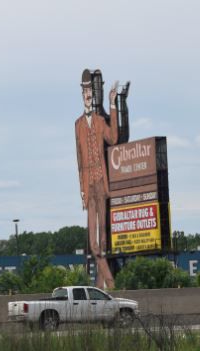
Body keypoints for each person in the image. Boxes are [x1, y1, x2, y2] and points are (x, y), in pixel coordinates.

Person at [75, 69, 119, 289]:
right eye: (84, 91)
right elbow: (79, 159)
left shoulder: (101, 121)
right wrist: (82, 191)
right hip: (89, 186)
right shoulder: (78, 125)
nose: (87, 95)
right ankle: (111, 285)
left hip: (102, 183)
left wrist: (113, 104)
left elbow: (113, 138)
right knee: (93, 245)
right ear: (82, 94)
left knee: (102, 242)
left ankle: (102, 292)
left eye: (90, 91)